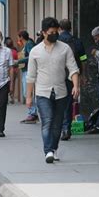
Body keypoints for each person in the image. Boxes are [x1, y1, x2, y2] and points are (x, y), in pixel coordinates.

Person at [26, 17, 80, 163]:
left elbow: (73, 69)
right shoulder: (35, 52)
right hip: (42, 92)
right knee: (47, 121)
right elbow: (30, 76)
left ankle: (54, 148)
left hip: (61, 92)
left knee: (57, 124)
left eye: (56, 32)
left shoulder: (65, 48)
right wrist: (29, 97)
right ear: (44, 33)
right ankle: (48, 151)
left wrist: (76, 86)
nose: (54, 35)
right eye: (51, 32)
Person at [58, 19, 88, 140]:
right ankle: (66, 128)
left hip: (58, 76)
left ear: (60, 28)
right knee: (68, 103)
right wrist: (83, 75)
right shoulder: (77, 41)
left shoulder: (57, 41)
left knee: (58, 102)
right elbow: (84, 58)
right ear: (70, 28)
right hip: (72, 76)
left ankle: (60, 127)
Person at [17, 30, 38, 123]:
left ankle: (33, 113)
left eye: (18, 37)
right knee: (27, 92)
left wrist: (19, 61)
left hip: (28, 71)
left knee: (27, 92)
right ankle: (32, 112)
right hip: (25, 70)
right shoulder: (26, 44)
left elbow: (31, 56)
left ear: (21, 37)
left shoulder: (29, 44)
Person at [4, 37, 19, 104]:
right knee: (12, 83)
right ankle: (11, 96)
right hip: (14, 70)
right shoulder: (15, 51)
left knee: (6, 83)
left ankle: (6, 97)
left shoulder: (5, 51)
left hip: (7, 70)